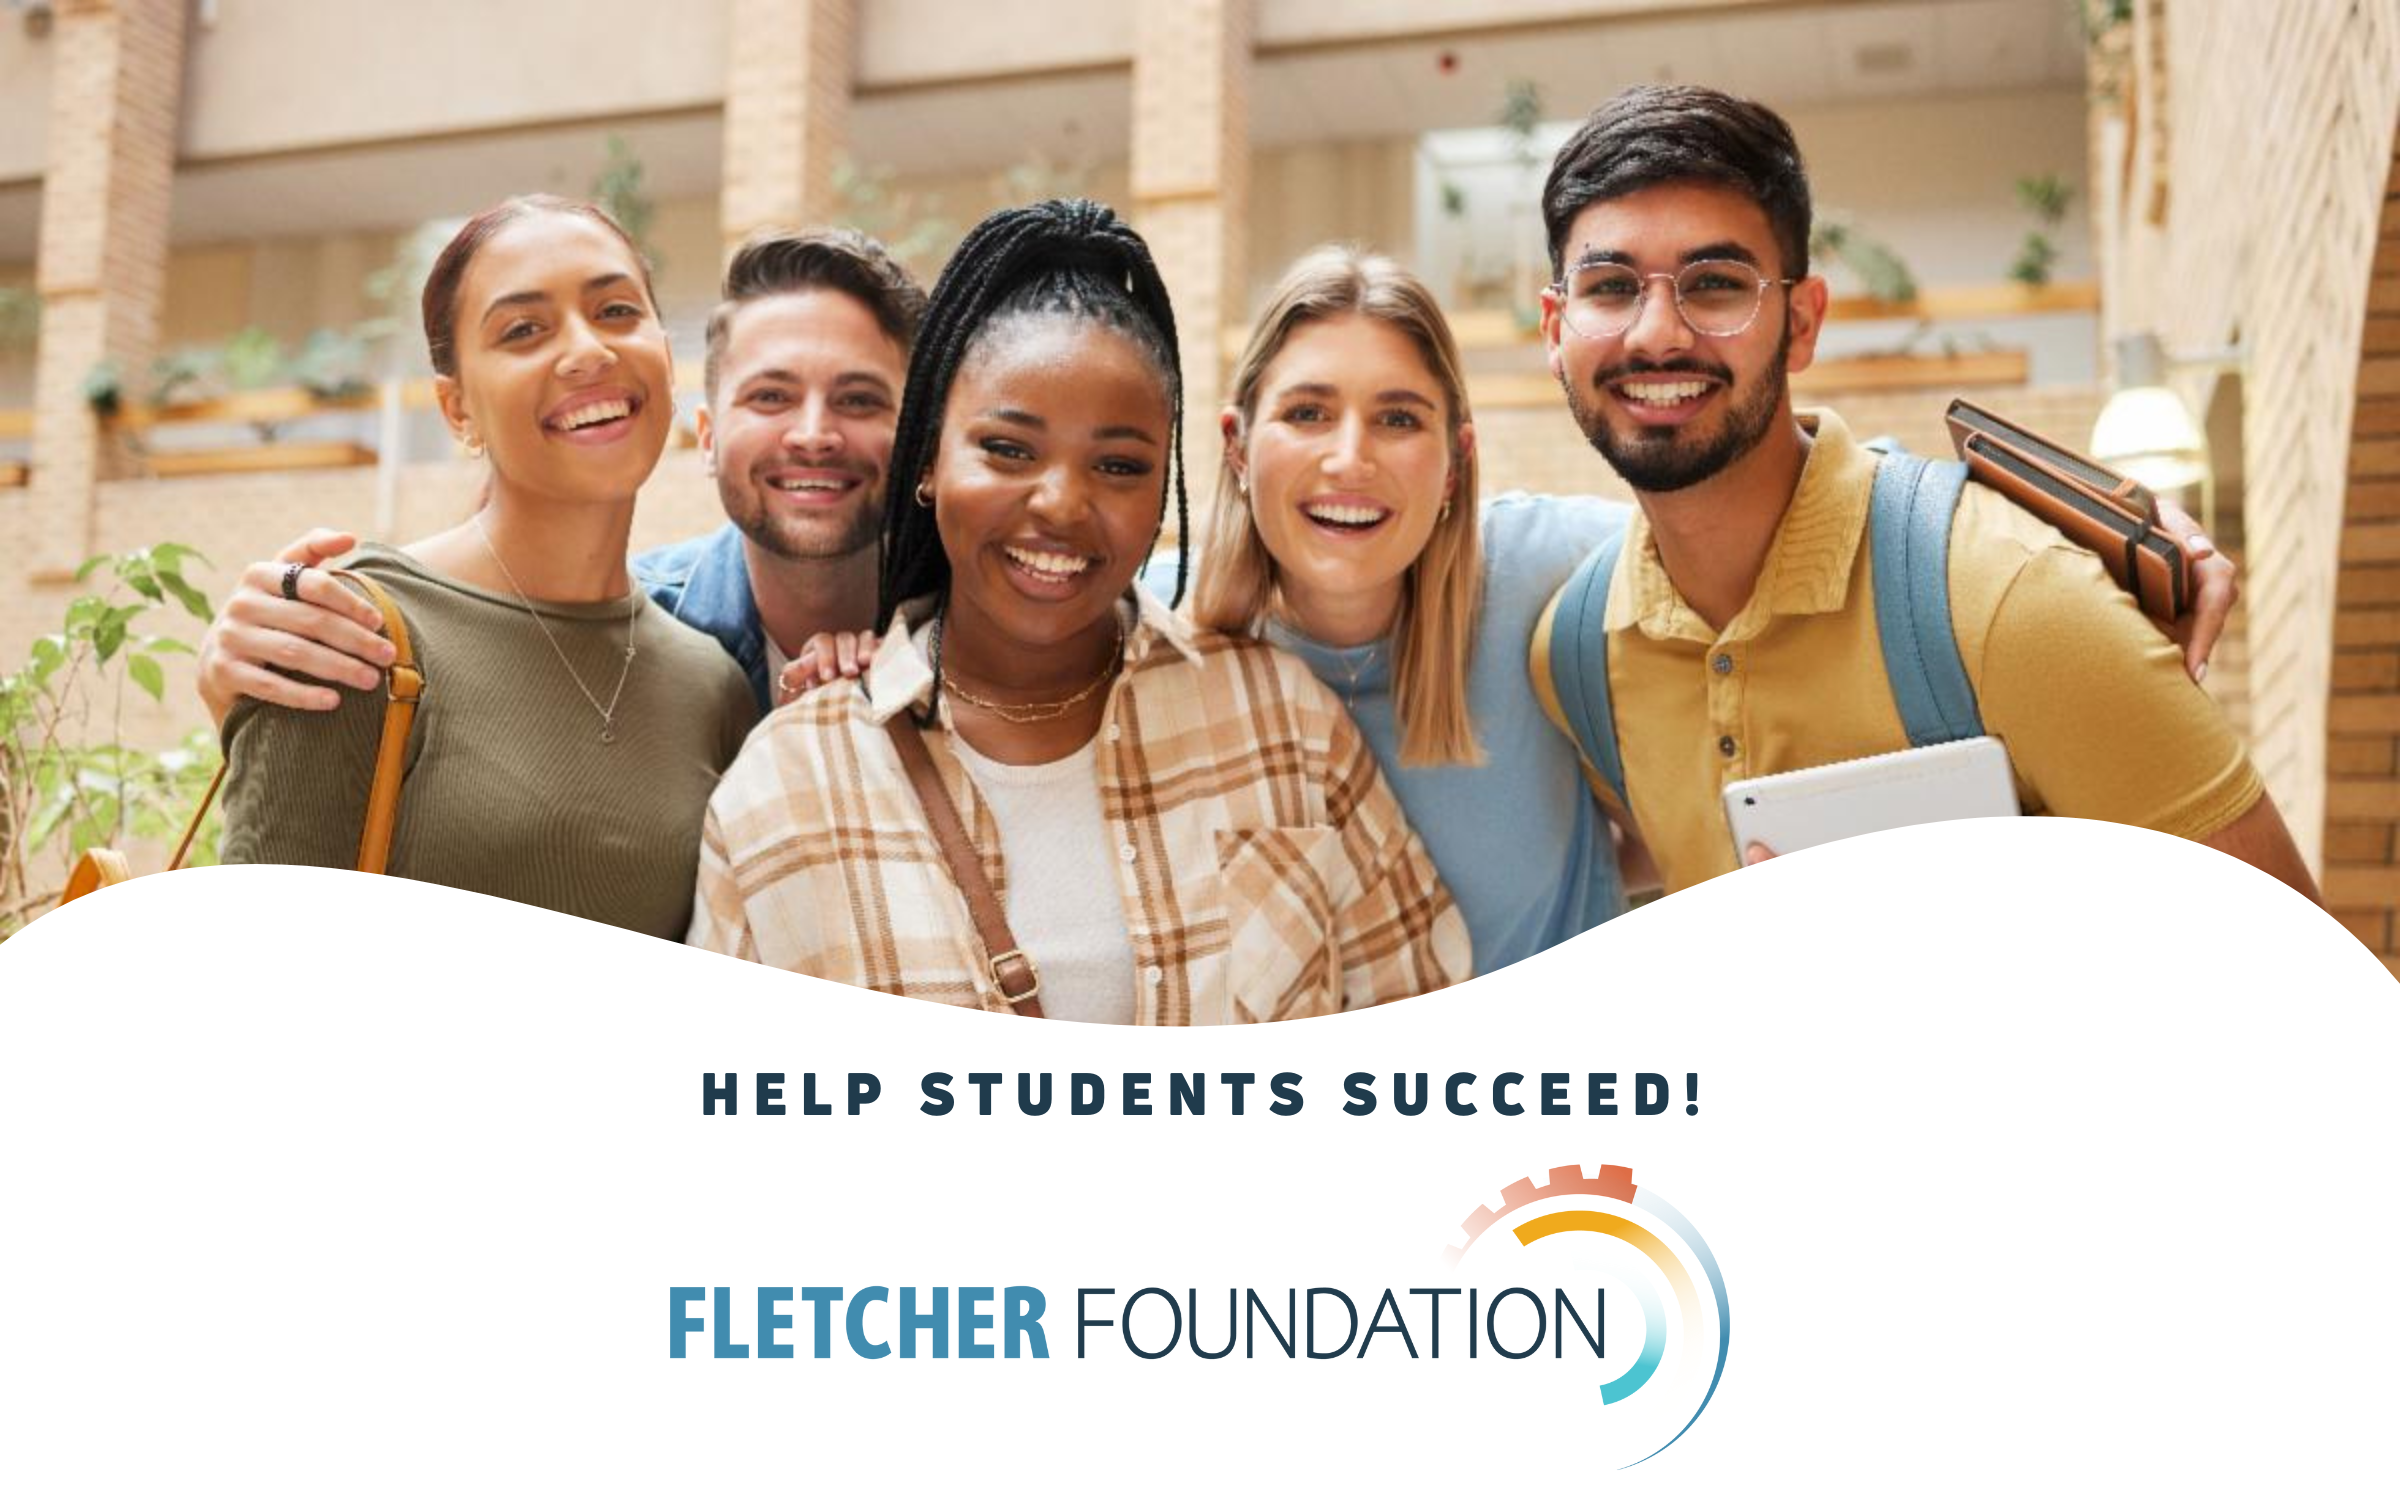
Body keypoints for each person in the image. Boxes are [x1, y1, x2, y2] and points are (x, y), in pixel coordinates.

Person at [1526, 85, 2317, 899]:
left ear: (1801, 323)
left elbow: (2298, 973)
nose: (1658, 332)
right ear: (1556, 331)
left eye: (1716, 283)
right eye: (1612, 287)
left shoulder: (2014, 596)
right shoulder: (1578, 658)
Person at [688, 199, 1468, 1020]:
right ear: (928, 461)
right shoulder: (781, 790)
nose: (1060, 504)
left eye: (1120, 465)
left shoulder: (1283, 726)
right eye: (1009, 450)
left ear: (1164, 490)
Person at [216, 195, 755, 938]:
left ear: (666, 353)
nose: (588, 350)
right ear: (457, 408)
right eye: (523, 329)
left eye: (617, 311)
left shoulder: (711, 682)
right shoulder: (351, 630)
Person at [194, 227, 924, 723]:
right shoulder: (619, 633)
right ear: (705, 436)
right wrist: (231, 677)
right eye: (771, 397)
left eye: (860, 400)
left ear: (919, 433)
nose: (813, 434)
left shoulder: (982, 638)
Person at [1192, 245, 1630, 973]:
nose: (1350, 459)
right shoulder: (1156, 623)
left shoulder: (1545, 569)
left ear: (1456, 458)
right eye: (1307, 412)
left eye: (1398, 420)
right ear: (1237, 446)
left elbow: (1781, 517)